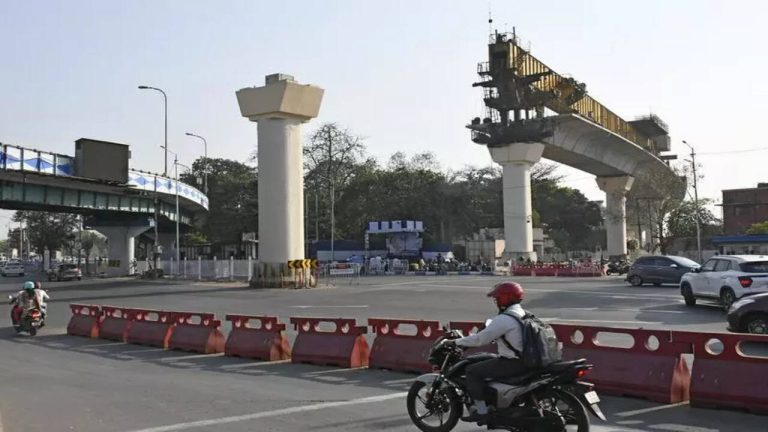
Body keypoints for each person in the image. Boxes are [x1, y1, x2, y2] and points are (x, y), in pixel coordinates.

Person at [444, 281, 528, 423]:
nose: (496, 301)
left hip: (513, 363)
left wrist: (455, 342)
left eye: (497, 298)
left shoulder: (504, 319)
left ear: (505, 298)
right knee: (482, 358)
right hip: (526, 359)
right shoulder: (523, 314)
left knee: (472, 371)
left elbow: (479, 340)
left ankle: (482, 412)